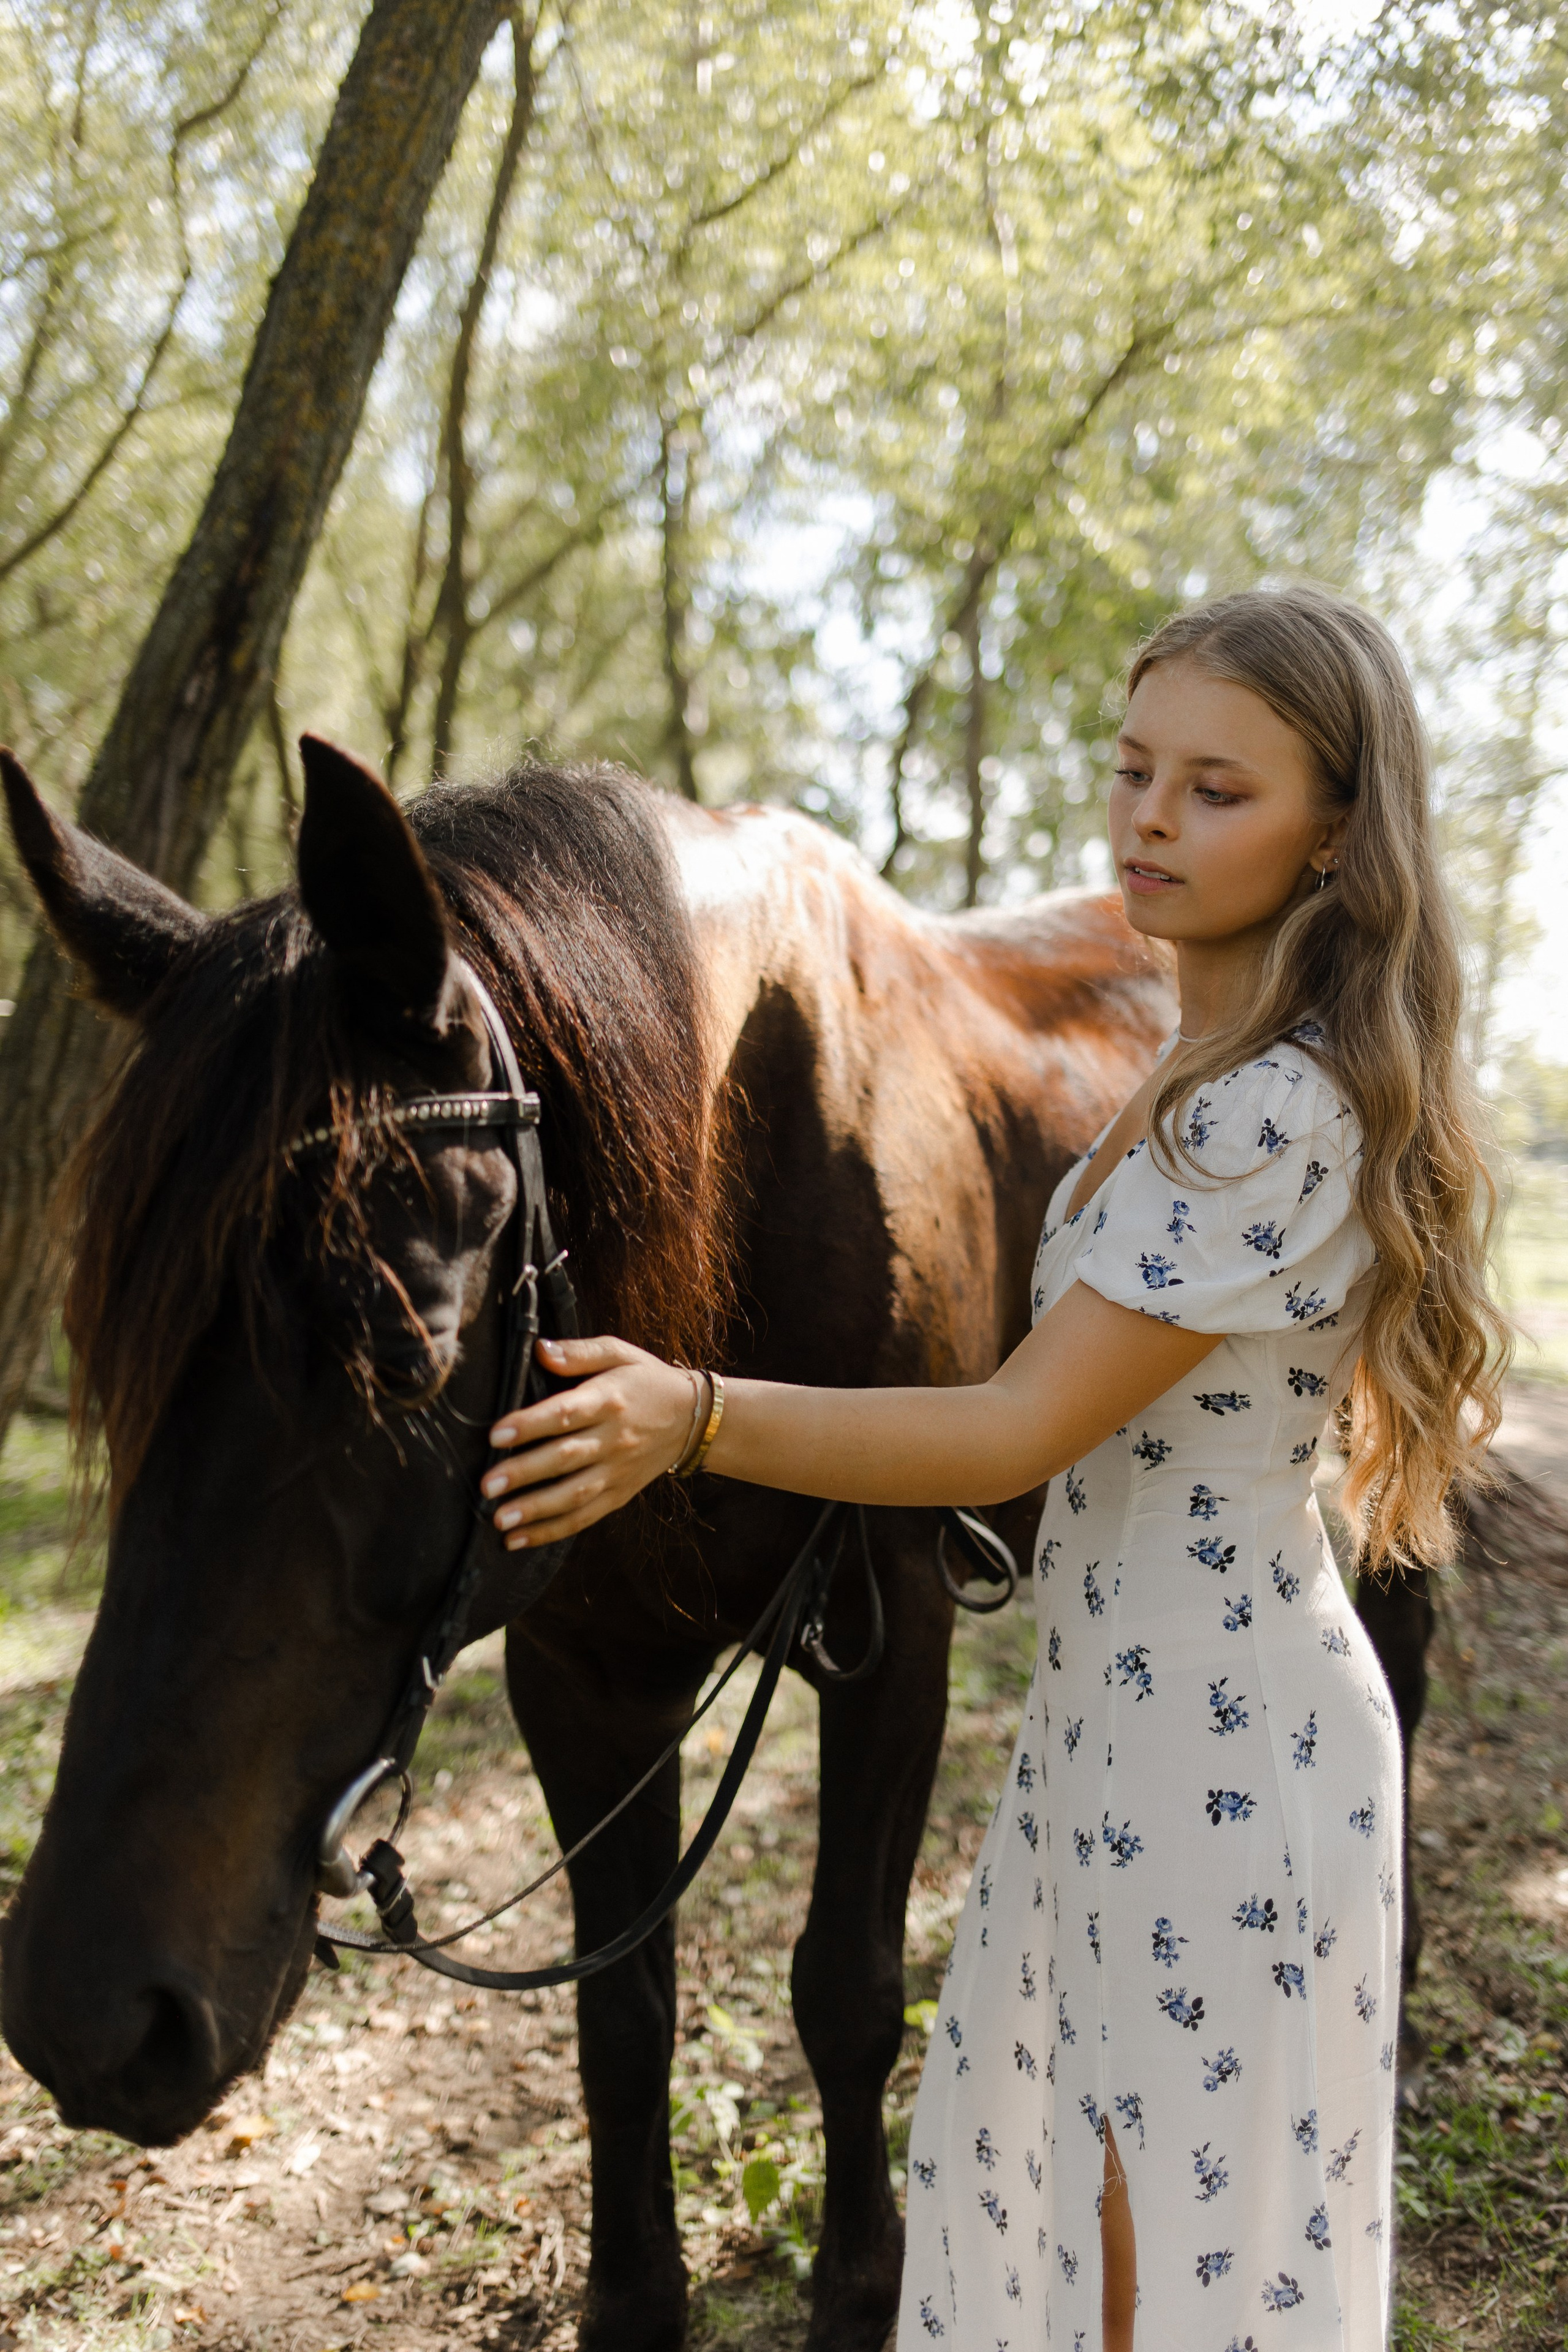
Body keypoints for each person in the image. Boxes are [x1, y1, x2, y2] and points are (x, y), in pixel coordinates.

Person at [475, 584, 1506, 2351]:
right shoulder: (1208, 1069)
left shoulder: (1266, 1116)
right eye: (1133, 770)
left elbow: (1013, 1426)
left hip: (1217, 1750)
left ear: (1339, 834)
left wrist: (691, 1416)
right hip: (1126, 1716)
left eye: (1217, 788)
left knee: (1151, 2257)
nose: (1150, 820)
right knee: (1107, 2221)